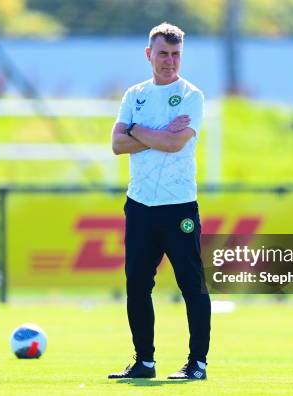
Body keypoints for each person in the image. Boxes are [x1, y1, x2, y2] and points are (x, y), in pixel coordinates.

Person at [108, 22, 210, 381]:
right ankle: (144, 362)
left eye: (176, 54)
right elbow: (117, 145)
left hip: (179, 205)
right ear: (149, 54)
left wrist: (137, 131)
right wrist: (157, 132)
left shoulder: (190, 95)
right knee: (137, 283)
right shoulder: (133, 94)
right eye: (163, 53)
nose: (170, 61)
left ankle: (197, 364)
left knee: (190, 283)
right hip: (139, 205)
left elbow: (173, 144)